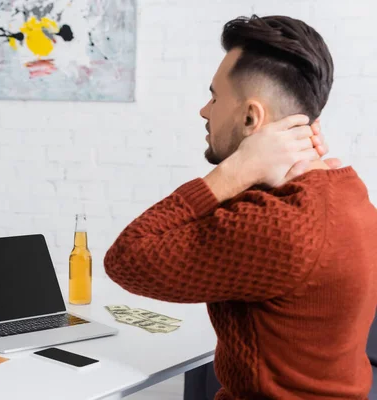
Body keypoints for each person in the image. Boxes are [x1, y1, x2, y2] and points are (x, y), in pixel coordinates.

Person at [104, 14, 377, 399]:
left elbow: (128, 258)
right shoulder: (349, 191)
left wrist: (234, 171)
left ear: (250, 117)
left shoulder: (278, 225)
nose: (204, 110)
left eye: (215, 96)